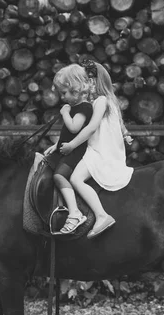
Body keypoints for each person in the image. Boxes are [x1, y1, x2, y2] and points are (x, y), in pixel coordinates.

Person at [59, 60, 134, 239]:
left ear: (93, 82)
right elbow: (120, 125)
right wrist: (125, 135)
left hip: (100, 150)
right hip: (110, 148)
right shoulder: (110, 100)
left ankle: (100, 215)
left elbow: (91, 128)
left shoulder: (100, 101)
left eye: (84, 81)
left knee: (76, 179)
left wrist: (72, 145)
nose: (82, 87)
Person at [44, 64, 94, 235]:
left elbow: (74, 128)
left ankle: (74, 213)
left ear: (75, 89)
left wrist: (65, 113)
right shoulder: (74, 107)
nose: (62, 97)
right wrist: (55, 146)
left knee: (59, 176)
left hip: (76, 153)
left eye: (64, 93)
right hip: (66, 149)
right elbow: (67, 135)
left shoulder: (84, 108)